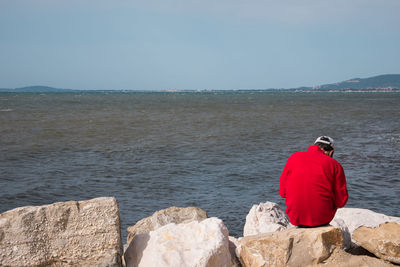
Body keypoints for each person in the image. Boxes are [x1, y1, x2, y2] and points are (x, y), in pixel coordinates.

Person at [279, 136, 348, 227]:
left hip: (295, 218)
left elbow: (282, 193)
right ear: (331, 152)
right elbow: (341, 201)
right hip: (322, 219)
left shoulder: (293, 157)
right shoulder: (335, 165)